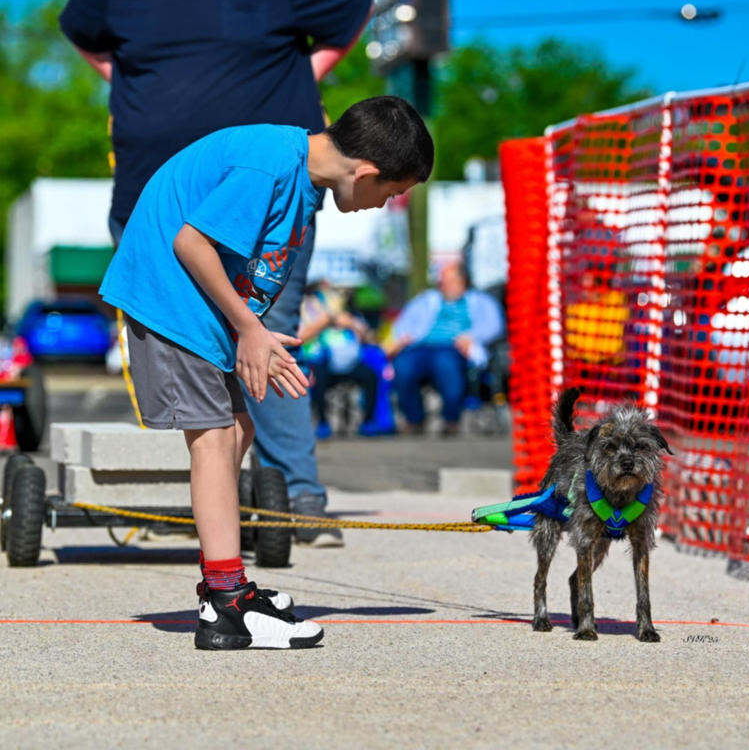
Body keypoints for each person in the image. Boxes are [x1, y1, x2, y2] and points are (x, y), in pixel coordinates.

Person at [97, 96, 434, 649]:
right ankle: (226, 605)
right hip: (168, 303)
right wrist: (249, 329)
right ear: (366, 173)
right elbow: (190, 242)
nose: (382, 206)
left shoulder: (301, 179)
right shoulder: (269, 165)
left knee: (239, 429)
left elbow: (244, 264)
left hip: (200, 313)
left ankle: (223, 580)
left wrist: (250, 333)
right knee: (214, 439)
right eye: (391, 194)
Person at [59, 0, 373, 547]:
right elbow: (79, 27)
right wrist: (128, 82)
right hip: (155, 196)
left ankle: (294, 494)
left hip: (274, 197)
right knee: (179, 355)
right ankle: (196, 509)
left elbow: (355, 8)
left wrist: (302, 77)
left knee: (270, 338)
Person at [389, 261, 504, 435]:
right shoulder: (425, 300)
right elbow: (403, 324)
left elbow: (494, 326)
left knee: (446, 365)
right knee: (403, 366)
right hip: (421, 346)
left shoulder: (481, 301)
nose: (444, 285)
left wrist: (472, 337)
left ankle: (451, 419)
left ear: (462, 282)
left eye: (449, 281)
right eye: (442, 281)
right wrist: (405, 336)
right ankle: (414, 419)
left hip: (454, 347)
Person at [300, 282, 394, 441]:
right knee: (318, 379)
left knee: (371, 376)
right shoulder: (312, 314)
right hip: (325, 363)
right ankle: (323, 423)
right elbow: (302, 338)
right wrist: (325, 323)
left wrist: (352, 325)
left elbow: (370, 338)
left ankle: (369, 421)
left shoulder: (352, 316)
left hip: (351, 364)